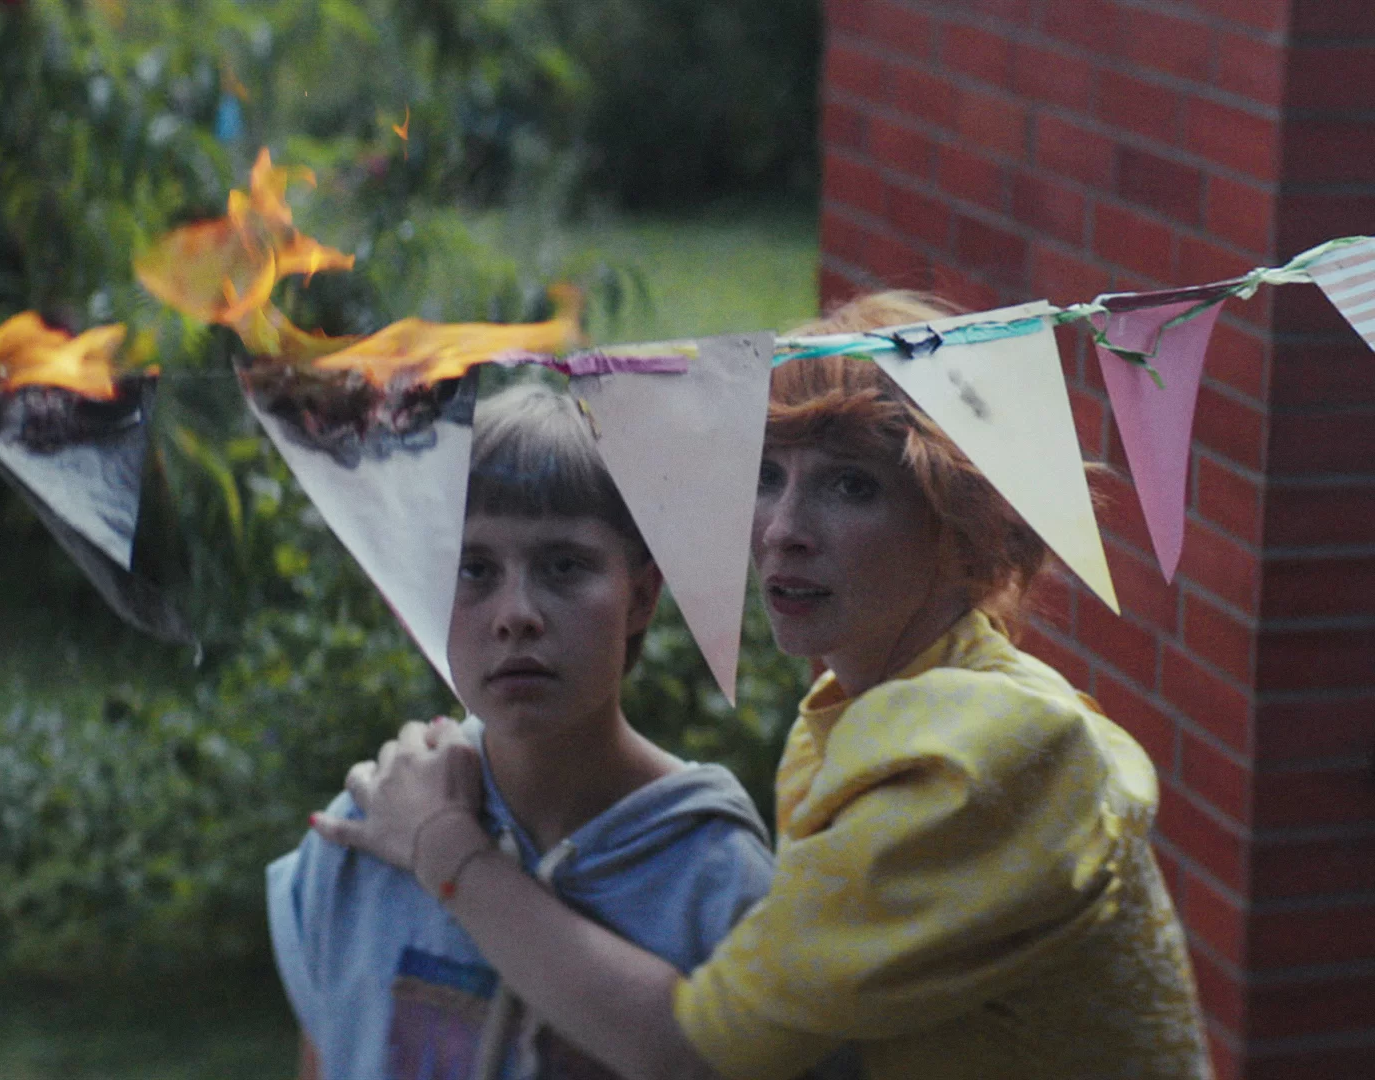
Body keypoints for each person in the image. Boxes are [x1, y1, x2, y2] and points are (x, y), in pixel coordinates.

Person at [314, 292, 1214, 1080]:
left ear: (964, 523)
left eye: (850, 487)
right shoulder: (879, 710)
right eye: (769, 476)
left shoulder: (976, 753)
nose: (783, 529)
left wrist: (447, 849)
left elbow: (695, 1056)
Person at [268, 382, 778, 1080]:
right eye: (473, 569)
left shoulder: (715, 877)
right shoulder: (366, 833)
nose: (516, 614)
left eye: (564, 566)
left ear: (642, 595)